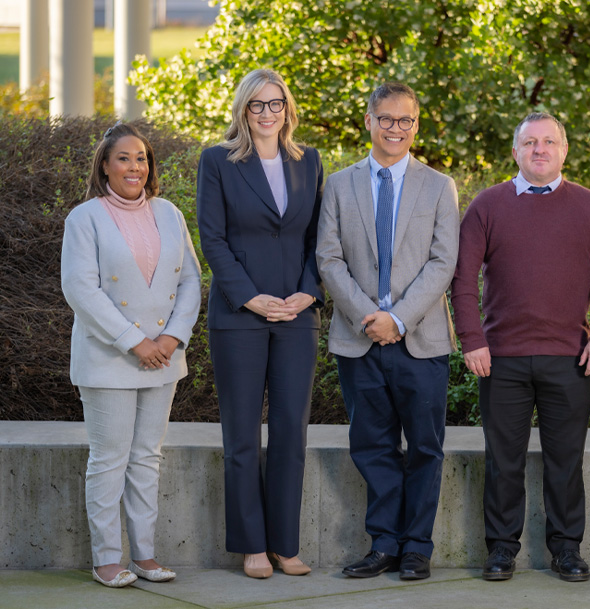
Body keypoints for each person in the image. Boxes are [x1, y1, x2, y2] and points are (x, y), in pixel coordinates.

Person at [451, 112, 590, 582]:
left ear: (564, 150)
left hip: (568, 358)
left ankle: (566, 549)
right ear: (516, 151)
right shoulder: (487, 206)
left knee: (565, 461)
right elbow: (463, 277)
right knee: (503, 461)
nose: (540, 150)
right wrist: (471, 339)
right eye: (530, 143)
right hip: (501, 358)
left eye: (549, 142)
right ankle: (502, 549)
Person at [316, 82, 459, 581]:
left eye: (406, 121)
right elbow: (328, 258)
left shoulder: (439, 186)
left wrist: (397, 319)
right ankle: (383, 544)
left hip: (420, 341)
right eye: (386, 119)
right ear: (369, 121)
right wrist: (367, 318)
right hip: (358, 339)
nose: (396, 129)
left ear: (416, 126)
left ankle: (417, 547)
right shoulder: (338, 184)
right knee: (372, 447)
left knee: (424, 447)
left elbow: (444, 263)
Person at [197, 68, 324, 579]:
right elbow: (213, 240)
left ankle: (284, 545)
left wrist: (307, 293)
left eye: (276, 104)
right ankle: (251, 545)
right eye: (257, 105)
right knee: (242, 435)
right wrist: (251, 299)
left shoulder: (309, 161)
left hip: (296, 315)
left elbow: (320, 239)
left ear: (287, 110)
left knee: (292, 431)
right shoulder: (218, 161)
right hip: (239, 317)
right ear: (243, 111)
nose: (267, 113)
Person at [61, 122, 201, 588]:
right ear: (104, 165)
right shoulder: (85, 218)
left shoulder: (169, 213)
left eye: (141, 158)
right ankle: (106, 557)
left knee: (146, 457)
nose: (134, 166)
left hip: (163, 358)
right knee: (110, 458)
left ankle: (143, 553)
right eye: (123, 158)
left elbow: (190, 282)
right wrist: (134, 341)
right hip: (109, 358)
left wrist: (170, 338)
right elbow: (81, 288)